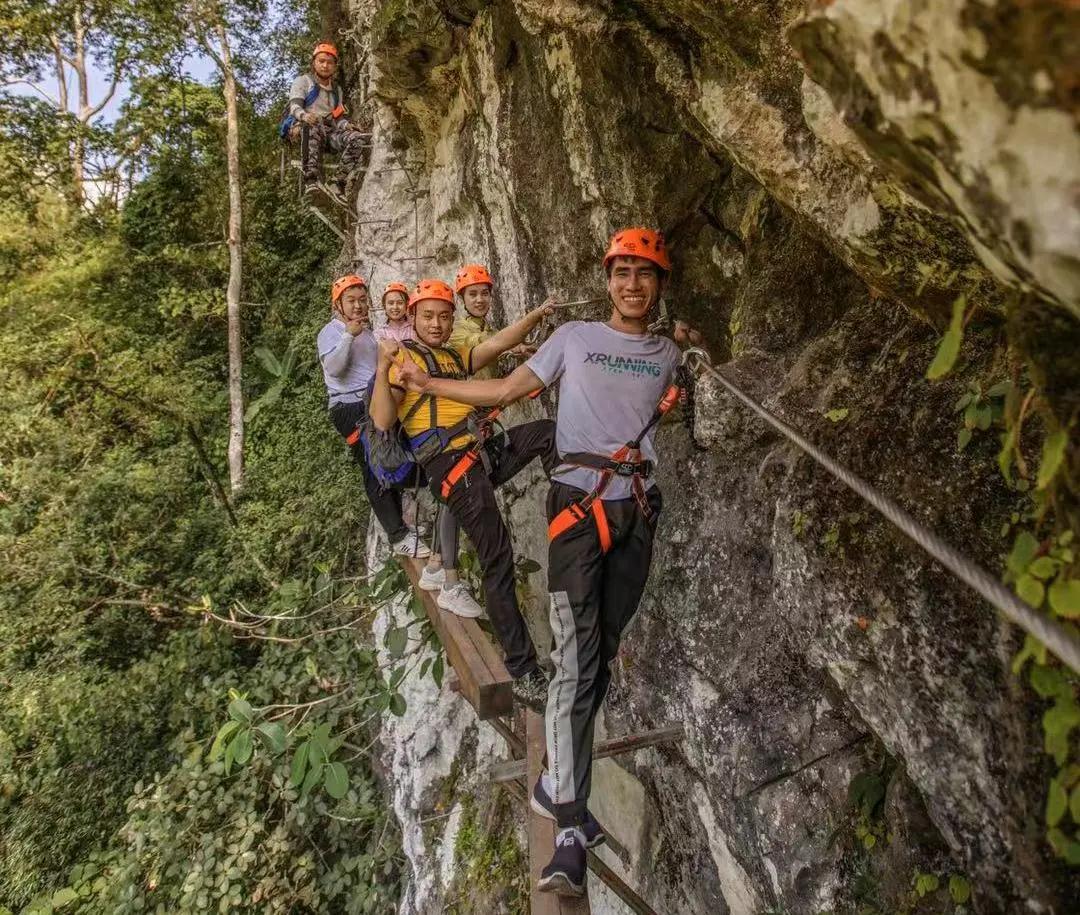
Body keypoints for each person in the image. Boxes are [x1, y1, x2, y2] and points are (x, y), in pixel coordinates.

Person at [391, 229, 689, 897]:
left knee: (601, 654)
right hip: (578, 512)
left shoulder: (667, 355)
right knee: (578, 658)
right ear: (608, 279)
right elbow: (500, 392)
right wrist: (425, 380)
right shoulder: (574, 338)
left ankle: (558, 779)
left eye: (645, 274)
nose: (632, 284)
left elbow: (671, 396)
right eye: (621, 272)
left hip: (636, 513)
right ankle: (570, 828)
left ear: (659, 285)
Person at [369, 279, 559, 710]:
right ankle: (523, 671)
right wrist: (383, 369)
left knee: (547, 434)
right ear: (412, 320)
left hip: (481, 453)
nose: (436, 323)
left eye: (443, 316)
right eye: (427, 316)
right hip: (454, 468)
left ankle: (571, 518)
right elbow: (382, 419)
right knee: (497, 556)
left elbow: (497, 343)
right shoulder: (406, 361)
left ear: (451, 319)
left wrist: (538, 315)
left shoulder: (453, 356)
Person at [317, 274, 429, 558]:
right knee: (372, 463)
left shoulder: (370, 333)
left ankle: (403, 524)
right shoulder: (331, 331)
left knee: (392, 455)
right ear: (338, 305)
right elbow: (334, 369)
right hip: (350, 407)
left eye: (362, 300)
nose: (358, 306)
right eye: (351, 301)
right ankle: (397, 534)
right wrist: (347, 335)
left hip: (373, 402)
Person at [283, 42, 367, 200]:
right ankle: (311, 179)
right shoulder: (303, 81)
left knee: (358, 139)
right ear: (314, 63)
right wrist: (305, 116)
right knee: (311, 127)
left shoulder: (337, 91)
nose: (325, 65)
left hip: (328, 133)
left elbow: (337, 117)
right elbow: (295, 107)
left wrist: (347, 125)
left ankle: (338, 182)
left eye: (329, 62)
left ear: (335, 66)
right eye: (321, 61)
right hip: (305, 129)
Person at [448, 264, 533, 380]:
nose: (480, 300)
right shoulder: (454, 331)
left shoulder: (490, 330)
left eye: (485, 293)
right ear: (462, 298)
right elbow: (481, 341)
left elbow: (496, 342)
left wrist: (517, 347)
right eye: (472, 294)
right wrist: (511, 343)